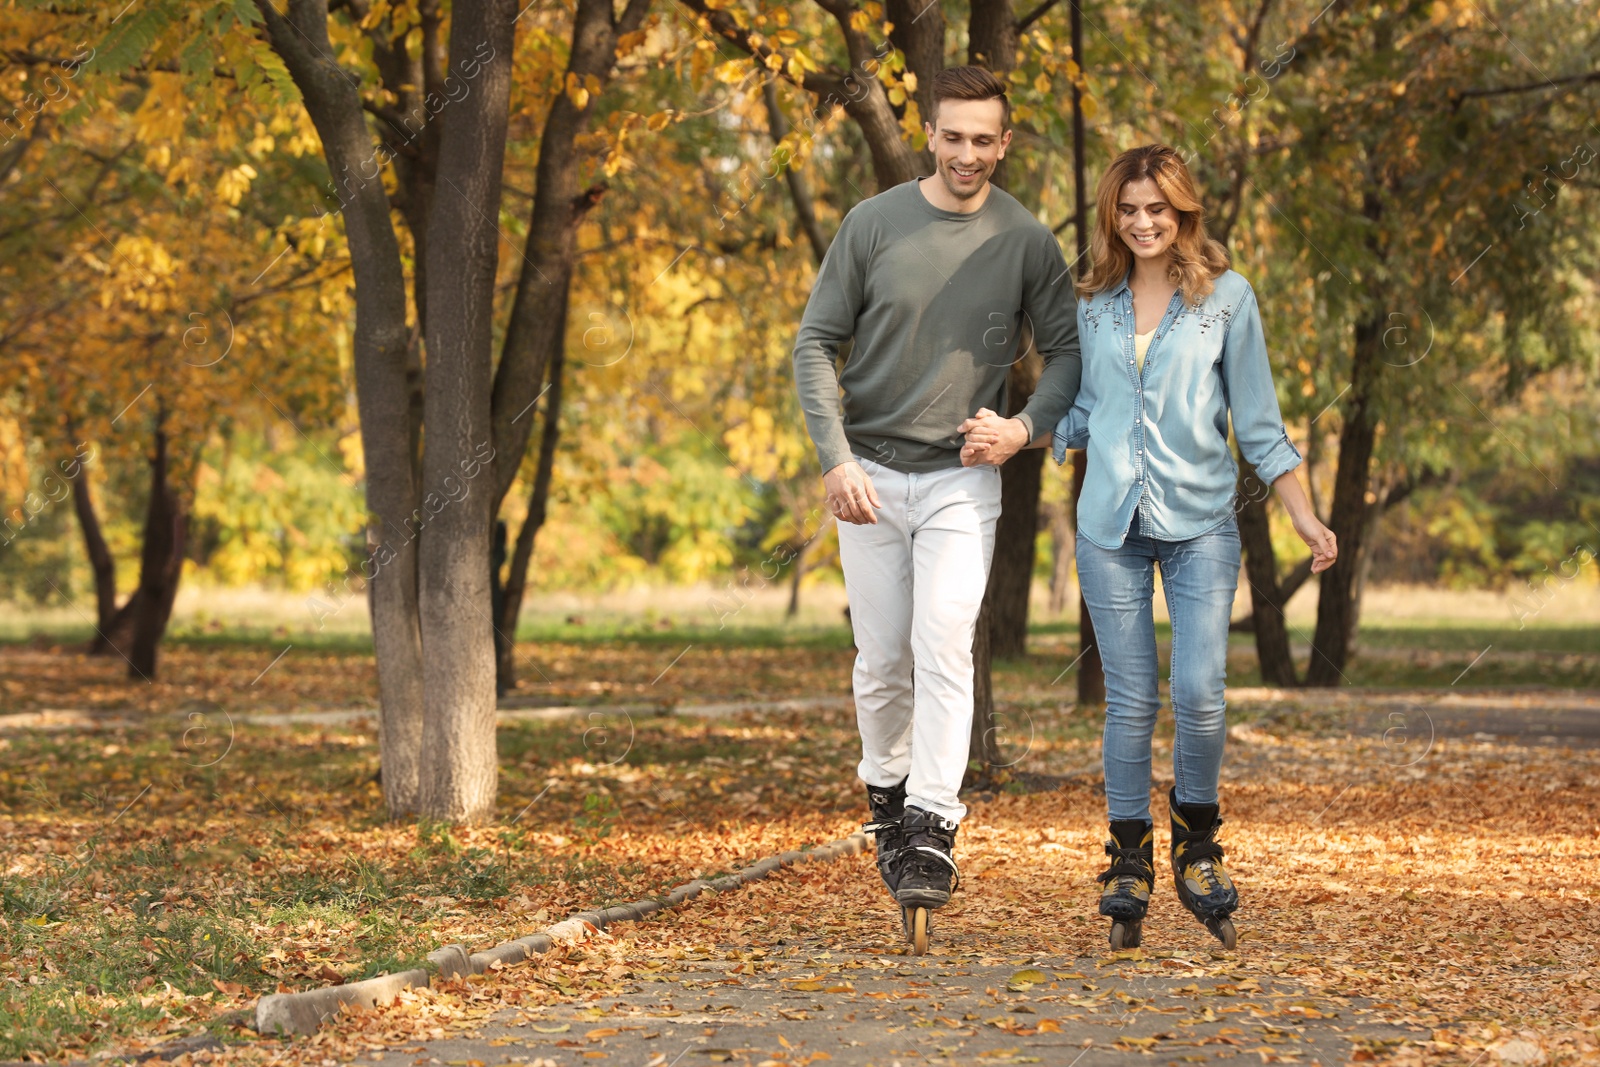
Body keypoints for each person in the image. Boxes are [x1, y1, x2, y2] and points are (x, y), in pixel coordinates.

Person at [961, 144, 1336, 950]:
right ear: (1112, 216)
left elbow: (1262, 427)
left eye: (1157, 209)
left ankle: (1197, 844)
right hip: (1110, 528)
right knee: (1131, 701)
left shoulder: (1228, 302)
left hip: (1202, 526)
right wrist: (1015, 432)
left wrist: (1305, 518)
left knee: (1199, 692)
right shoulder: (1090, 303)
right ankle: (1127, 855)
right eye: (1128, 210)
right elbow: (1082, 413)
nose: (1142, 223)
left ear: (1183, 212)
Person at [791, 66, 1082, 951]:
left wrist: (1025, 427)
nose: (966, 153)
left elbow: (1068, 353)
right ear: (929, 134)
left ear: (1004, 140)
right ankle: (886, 789)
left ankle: (931, 824)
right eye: (951, 136)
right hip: (869, 478)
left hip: (962, 477)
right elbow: (814, 343)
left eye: (982, 139)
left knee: (945, 640)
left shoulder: (1027, 238)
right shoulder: (872, 224)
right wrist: (835, 459)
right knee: (881, 662)